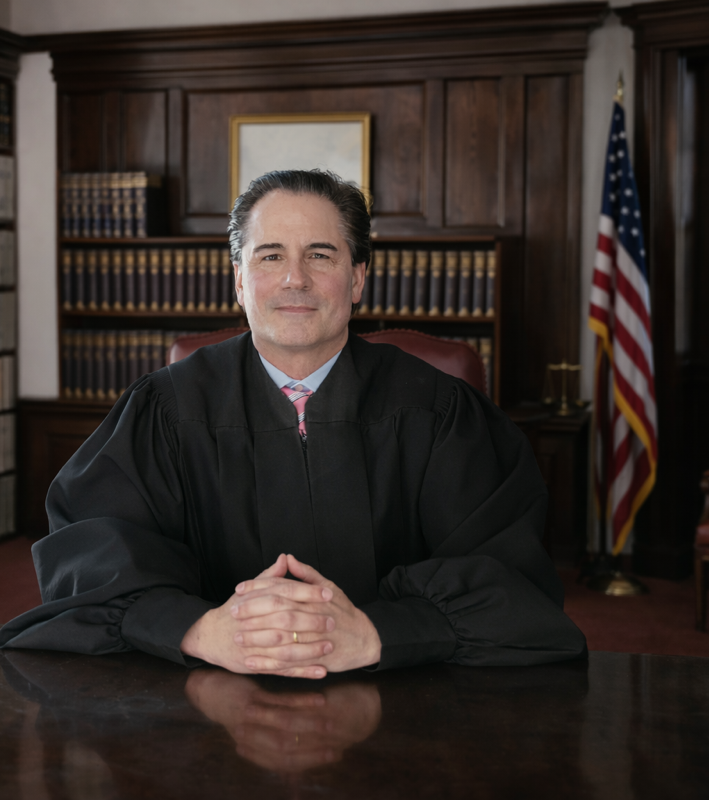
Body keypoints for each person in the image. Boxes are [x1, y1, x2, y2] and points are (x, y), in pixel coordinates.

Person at [0, 170, 586, 677]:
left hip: (405, 697)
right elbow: (91, 557)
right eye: (271, 255)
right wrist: (198, 630)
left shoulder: (437, 411)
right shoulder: (166, 409)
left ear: (358, 278)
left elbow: (511, 580)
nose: (295, 279)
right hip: (205, 701)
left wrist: (382, 634)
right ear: (238, 279)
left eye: (321, 255)